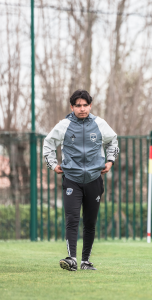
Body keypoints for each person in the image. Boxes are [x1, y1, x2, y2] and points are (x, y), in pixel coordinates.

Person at [43, 89, 119, 271]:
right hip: (72, 179)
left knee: (90, 222)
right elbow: (48, 144)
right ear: (72, 107)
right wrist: (53, 165)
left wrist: (110, 161)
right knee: (72, 219)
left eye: (85, 105)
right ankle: (72, 259)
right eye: (78, 105)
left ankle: (85, 261)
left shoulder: (100, 124)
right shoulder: (64, 125)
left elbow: (113, 141)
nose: (82, 108)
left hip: (94, 179)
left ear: (90, 106)